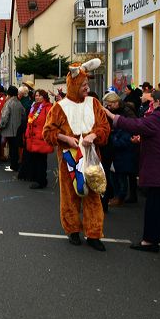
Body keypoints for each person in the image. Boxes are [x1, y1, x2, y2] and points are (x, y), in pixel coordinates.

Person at [105, 89, 160, 253]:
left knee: (155, 204)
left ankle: (150, 241)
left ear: (158, 103)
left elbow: (134, 125)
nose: (150, 105)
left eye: (152, 102)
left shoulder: (159, 117)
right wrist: (144, 138)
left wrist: (111, 116)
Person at [42, 59, 110, 251]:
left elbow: (104, 127)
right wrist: (65, 138)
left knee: (93, 196)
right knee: (70, 196)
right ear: (73, 85)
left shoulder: (94, 103)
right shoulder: (59, 107)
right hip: (69, 159)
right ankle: (72, 231)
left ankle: (94, 234)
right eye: (83, 85)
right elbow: (47, 132)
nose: (86, 88)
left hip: (91, 157)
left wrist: (94, 135)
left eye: (87, 85)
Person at [101, 92, 139, 207]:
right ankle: (119, 196)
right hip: (118, 144)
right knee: (117, 173)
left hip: (125, 145)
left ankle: (122, 197)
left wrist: (115, 138)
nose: (108, 107)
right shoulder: (118, 110)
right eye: (106, 105)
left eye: (110, 105)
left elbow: (132, 127)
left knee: (122, 174)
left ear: (116, 102)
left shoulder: (127, 112)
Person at [23, 89, 53, 189]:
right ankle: (36, 179)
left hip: (41, 138)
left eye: (39, 96)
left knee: (41, 161)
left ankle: (41, 181)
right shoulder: (33, 107)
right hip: (32, 138)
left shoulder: (48, 108)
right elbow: (30, 121)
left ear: (44, 97)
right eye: (36, 95)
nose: (37, 97)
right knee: (34, 160)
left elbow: (50, 123)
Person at [0, 86, 26, 172]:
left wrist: (0, 126)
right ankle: (14, 165)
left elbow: (4, 117)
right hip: (18, 129)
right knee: (15, 148)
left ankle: (13, 166)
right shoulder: (19, 103)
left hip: (10, 129)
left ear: (9, 94)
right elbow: (23, 115)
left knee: (12, 149)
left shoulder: (8, 103)